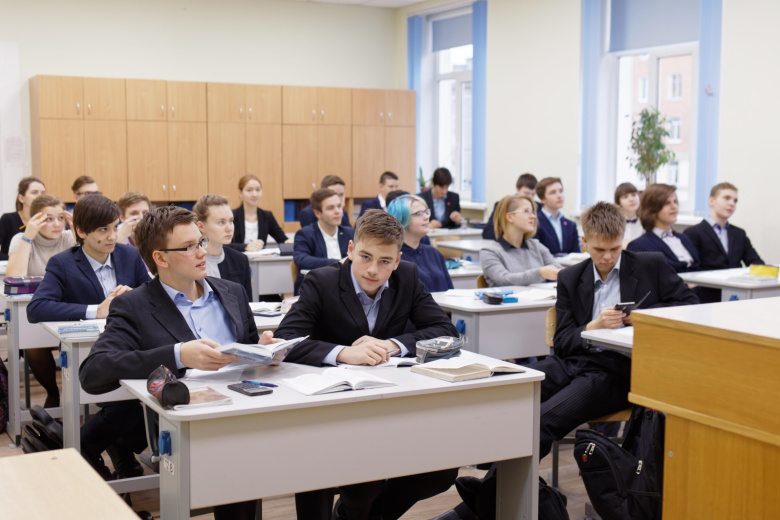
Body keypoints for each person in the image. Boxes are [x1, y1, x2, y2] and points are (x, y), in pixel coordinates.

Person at [440, 202, 698, 520]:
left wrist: (642, 316)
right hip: (573, 361)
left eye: (615, 248)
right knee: (509, 392)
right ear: (584, 242)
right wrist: (592, 327)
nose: (608, 257)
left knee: (541, 421)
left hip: (616, 371)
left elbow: (689, 305)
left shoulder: (649, 264)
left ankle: (480, 504)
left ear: (623, 241)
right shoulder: (572, 277)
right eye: (600, 249)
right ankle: (496, 497)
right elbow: (562, 342)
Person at [78, 206, 291, 519]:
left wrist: (262, 353)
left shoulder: (232, 292)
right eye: (189, 247)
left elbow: (243, 350)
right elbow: (93, 372)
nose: (202, 252)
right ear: (161, 258)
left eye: (200, 242)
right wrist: (178, 354)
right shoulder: (133, 305)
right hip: (188, 422)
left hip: (247, 409)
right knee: (237, 462)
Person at [275, 209, 459, 520]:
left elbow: (445, 331)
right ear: (350, 250)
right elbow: (286, 340)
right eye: (365, 257)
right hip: (331, 409)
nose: (373, 269)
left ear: (397, 260)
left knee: (441, 472)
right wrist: (343, 353)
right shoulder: (322, 281)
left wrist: (393, 345)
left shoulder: (407, 277)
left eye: (385, 261)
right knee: (364, 481)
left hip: (393, 400)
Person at [26, 195, 149, 412]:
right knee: (122, 405)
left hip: (131, 342)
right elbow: (36, 308)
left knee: (134, 401)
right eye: (103, 230)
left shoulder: (130, 255)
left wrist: (135, 296)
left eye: (115, 227)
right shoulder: (63, 263)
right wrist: (96, 311)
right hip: (90, 349)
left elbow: (152, 294)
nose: (112, 236)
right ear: (81, 231)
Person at [684, 182, 764, 303]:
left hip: (737, 294)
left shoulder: (739, 233)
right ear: (711, 201)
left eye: (735, 201)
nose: (732, 203)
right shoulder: (693, 232)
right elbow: (692, 271)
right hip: (706, 295)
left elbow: (757, 263)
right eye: (726, 198)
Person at [480, 195, 561, 287]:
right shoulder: (489, 252)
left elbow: (558, 270)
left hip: (540, 297)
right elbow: (504, 280)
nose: (533, 216)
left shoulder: (536, 246)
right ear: (510, 217)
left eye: (533, 212)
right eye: (526, 211)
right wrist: (540, 273)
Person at [627, 183, 701, 272]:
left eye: (675, 201)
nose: (674, 207)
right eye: (667, 203)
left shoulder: (684, 238)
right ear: (652, 208)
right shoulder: (639, 246)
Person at [387, 194, 453, 292]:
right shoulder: (393, 258)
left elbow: (451, 292)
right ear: (402, 219)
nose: (426, 217)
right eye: (419, 214)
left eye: (426, 212)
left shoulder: (434, 253)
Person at [293, 188, 354, 294]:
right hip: (316, 290)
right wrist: (338, 263)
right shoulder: (305, 234)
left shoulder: (350, 233)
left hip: (346, 289)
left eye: (339, 206)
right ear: (317, 213)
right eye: (330, 208)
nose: (337, 211)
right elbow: (301, 259)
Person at [194, 194, 253, 300]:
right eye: (221, 222)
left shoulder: (240, 260)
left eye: (231, 221)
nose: (229, 228)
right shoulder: (190, 262)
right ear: (201, 226)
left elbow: (246, 305)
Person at [6, 194, 76, 277]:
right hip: (35, 286)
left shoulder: (70, 237)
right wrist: (27, 238)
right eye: (49, 219)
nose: (57, 224)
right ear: (35, 220)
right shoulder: (20, 239)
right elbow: (14, 277)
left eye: (61, 218)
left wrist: (79, 237)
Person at [230, 174, 288, 251]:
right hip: (237, 257)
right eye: (249, 190)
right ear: (240, 193)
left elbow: (282, 240)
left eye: (258, 190)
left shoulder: (267, 216)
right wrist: (245, 247)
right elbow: (224, 245)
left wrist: (289, 242)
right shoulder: (232, 216)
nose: (255, 194)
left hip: (260, 258)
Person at [0, 176, 46, 260]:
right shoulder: (7, 219)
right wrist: (17, 257)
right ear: (21, 198)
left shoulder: (48, 221)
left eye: (43, 193)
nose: (40, 197)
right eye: (34, 192)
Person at [482, 173, 538, 240]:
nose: (530, 198)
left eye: (533, 195)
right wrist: (513, 233)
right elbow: (487, 233)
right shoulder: (504, 205)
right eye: (526, 193)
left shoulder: (538, 207)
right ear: (517, 189)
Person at [534, 176, 580, 255]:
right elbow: (536, 254)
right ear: (542, 199)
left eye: (561, 191)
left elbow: (577, 255)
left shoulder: (571, 225)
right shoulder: (535, 223)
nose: (559, 195)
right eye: (553, 192)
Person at [615, 182, 643, 246]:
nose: (631, 199)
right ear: (619, 202)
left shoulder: (646, 221)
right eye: (625, 197)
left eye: (634, 195)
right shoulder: (613, 222)